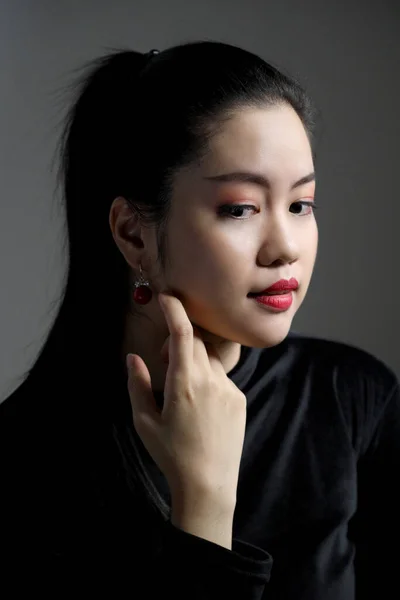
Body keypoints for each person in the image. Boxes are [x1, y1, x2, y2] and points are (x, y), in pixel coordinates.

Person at [0, 40, 399, 599]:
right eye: (240, 208)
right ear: (133, 233)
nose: (285, 247)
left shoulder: (353, 397)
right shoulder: (26, 466)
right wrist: (204, 505)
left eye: (300, 205)